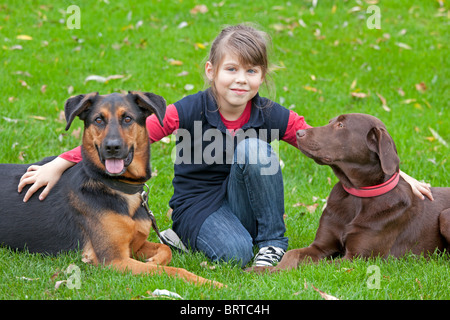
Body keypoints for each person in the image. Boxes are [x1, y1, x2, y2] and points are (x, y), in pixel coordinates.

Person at [17, 24, 433, 268]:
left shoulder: (269, 113)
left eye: (252, 71)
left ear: (261, 76)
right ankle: (189, 236)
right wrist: (59, 163)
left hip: (244, 200)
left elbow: (324, 146)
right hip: (199, 206)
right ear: (211, 71)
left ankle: (272, 240)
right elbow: (126, 139)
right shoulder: (188, 111)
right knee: (234, 254)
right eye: (231, 69)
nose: (241, 80)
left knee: (256, 152)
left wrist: (392, 173)